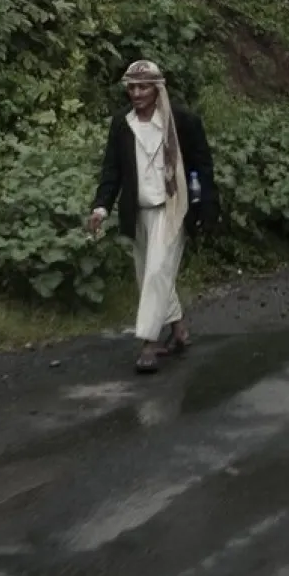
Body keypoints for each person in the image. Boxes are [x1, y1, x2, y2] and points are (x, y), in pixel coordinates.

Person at [86, 60, 218, 374]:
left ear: (158, 89)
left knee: (157, 271)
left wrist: (207, 206)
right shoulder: (123, 123)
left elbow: (203, 165)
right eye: (132, 87)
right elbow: (112, 170)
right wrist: (101, 207)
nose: (137, 93)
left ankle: (148, 343)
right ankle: (179, 329)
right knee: (149, 273)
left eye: (143, 87)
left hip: (173, 208)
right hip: (138, 210)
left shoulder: (182, 121)